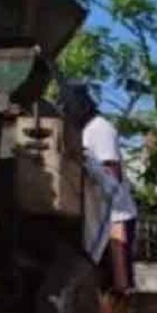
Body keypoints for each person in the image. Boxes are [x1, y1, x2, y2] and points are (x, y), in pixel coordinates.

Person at [60, 83, 138, 294]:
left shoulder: (100, 128)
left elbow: (112, 173)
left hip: (115, 214)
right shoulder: (86, 130)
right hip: (99, 214)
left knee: (118, 284)